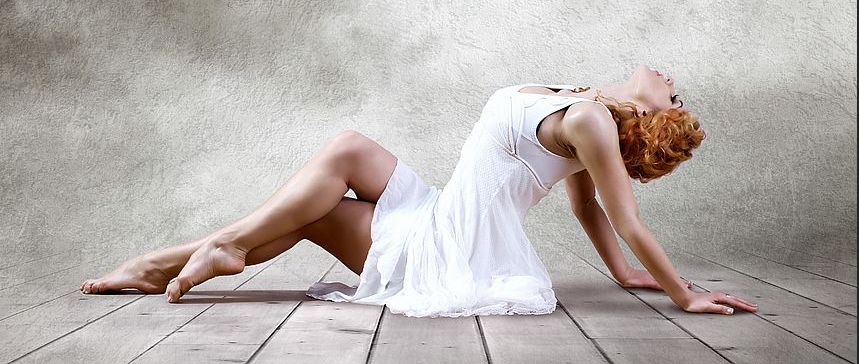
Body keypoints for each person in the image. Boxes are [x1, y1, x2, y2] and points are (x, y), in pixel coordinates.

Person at [80, 65, 759, 317]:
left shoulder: (588, 123)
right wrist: (621, 272)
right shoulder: (589, 108)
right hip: (439, 211)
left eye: (674, 93)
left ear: (652, 114)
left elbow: (623, 216)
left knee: (324, 205)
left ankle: (181, 257)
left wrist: (682, 294)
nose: (670, 76)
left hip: (448, 252)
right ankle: (189, 258)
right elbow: (586, 207)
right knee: (346, 151)